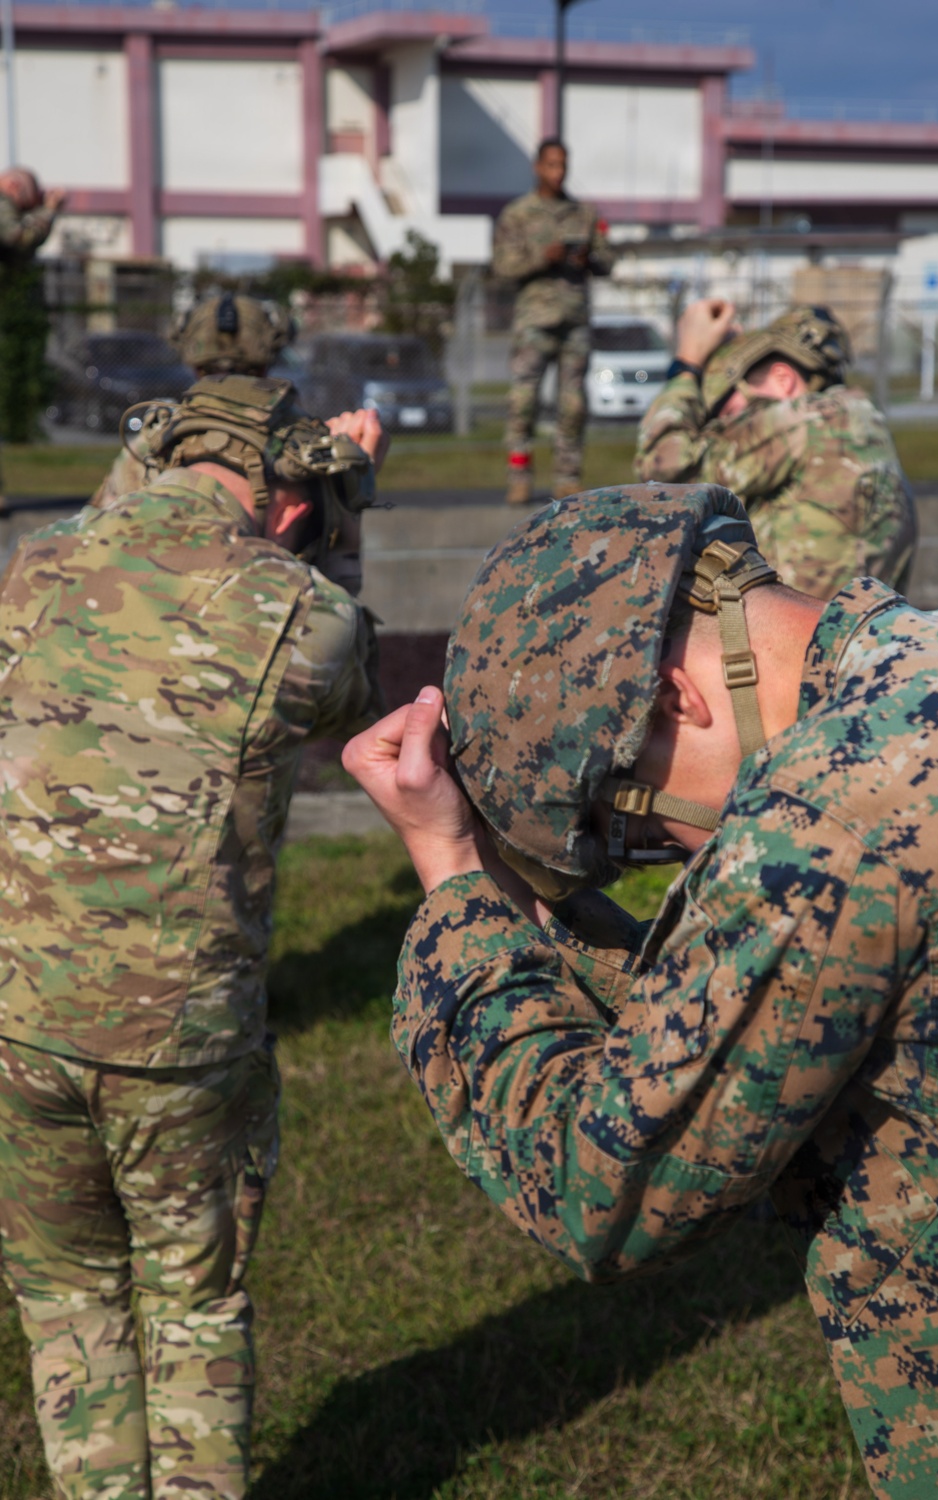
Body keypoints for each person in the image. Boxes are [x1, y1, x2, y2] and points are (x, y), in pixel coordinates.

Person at [345, 480, 938, 1499]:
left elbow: (600, 1189)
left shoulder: (827, 819)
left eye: (638, 821)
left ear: (671, 697)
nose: (684, 852)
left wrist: (455, 877)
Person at [0, 373, 385, 1500]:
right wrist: (351, 504)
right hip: (179, 1040)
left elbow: (118, 526)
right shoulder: (297, 609)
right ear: (288, 498)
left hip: (16, 1021)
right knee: (192, 1303)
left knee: (66, 1296)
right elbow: (355, 685)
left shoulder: (33, 568)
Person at [634, 300, 917, 599]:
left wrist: (686, 365)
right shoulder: (856, 424)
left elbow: (664, 470)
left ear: (784, 381)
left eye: (731, 415)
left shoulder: (804, 422)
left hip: (801, 627)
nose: (729, 431)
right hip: (847, 625)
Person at [492, 138, 613, 505]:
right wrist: (543, 258)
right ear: (537, 167)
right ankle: (519, 476)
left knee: (573, 404)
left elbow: (608, 261)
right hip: (535, 320)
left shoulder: (583, 214)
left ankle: (567, 476)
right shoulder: (518, 214)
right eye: (551, 165)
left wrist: (588, 259)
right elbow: (502, 267)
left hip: (574, 319)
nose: (558, 173)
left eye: (563, 166)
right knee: (523, 402)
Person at [91, 291, 294, 509]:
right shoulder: (295, 440)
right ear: (265, 367)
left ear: (196, 368)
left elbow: (102, 519)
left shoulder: (153, 443)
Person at [0, 166, 64, 257]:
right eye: (23, 206)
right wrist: (48, 211)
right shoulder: (2, 201)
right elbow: (19, 239)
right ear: (13, 185)